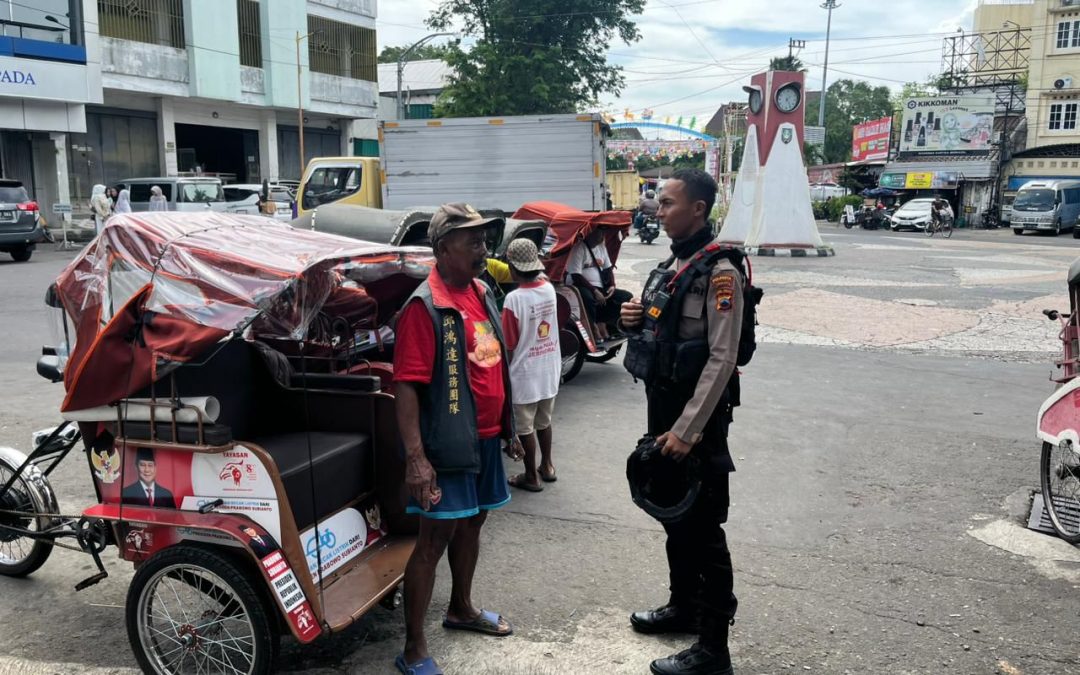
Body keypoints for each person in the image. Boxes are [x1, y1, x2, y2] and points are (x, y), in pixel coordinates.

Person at [620, 167, 744, 675]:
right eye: (659, 201)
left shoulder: (721, 273)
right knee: (675, 516)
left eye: (668, 202)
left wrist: (686, 431)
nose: (659, 208)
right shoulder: (673, 266)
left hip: (699, 422)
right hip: (664, 412)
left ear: (698, 209)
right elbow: (659, 325)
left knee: (704, 530)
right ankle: (683, 607)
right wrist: (631, 315)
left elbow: (723, 357)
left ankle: (714, 649)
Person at [392, 202, 524, 675]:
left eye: (485, 240)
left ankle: (461, 608)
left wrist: (509, 429)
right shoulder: (423, 307)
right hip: (446, 446)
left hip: (485, 440)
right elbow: (405, 385)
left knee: (473, 525)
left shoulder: (483, 290)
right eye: (473, 241)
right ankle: (413, 648)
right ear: (444, 248)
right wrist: (416, 459)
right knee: (433, 540)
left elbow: (494, 362)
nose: (482, 248)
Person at [501, 239, 561, 492]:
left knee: (525, 427)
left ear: (512, 268)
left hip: (524, 373)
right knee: (544, 421)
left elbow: (510, 343)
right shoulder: (548, 289)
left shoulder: (513, 300)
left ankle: (530, 476)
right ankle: (547, 466)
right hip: (549, 367)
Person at [566, 227, 632, 341]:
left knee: (626, 297)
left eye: (603, 233)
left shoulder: (601, 247)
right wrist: (594, 291)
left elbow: (608, 269)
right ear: (590, 234)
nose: (601, 237)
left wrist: (612, 285)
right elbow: (576, 275)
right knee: (588, 298)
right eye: (599, 234)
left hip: (600, 286)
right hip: (580, 285)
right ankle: (593, 328)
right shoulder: (579, 248)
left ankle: (609, 325)